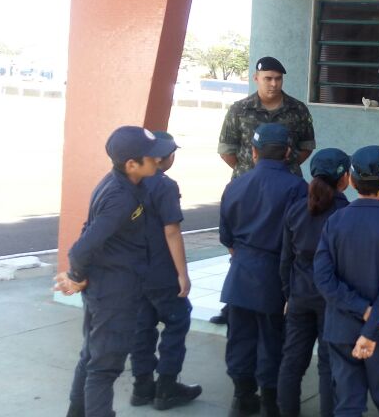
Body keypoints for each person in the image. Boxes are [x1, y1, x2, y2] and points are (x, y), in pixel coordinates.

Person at [55, 126, 175, 417]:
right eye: (152, 157)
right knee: (104, 367)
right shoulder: (120, 197)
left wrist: (81, 276)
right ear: (131, 164)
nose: (158, 160)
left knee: (91, 357)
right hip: (113, 293)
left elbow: (90, 228)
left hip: (108, 287)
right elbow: (81, 249)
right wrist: (75, 276)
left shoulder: (122, 182)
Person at [219, 123, 309, 417]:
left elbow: (226, 238)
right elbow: (300, 236)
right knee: (273, 340)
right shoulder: (297, 188)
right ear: (287, 152)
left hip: (240, 273)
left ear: (254, 152)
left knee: (239, 337)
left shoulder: (235, 185)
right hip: (275, 275)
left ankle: (241, 398)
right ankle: (271, 403)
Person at [313, 145, 379, 417]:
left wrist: (362, 309)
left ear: (352, 181)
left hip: (342, 328)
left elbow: (323, 277)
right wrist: (373, 321)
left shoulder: (335, 221)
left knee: (347, 405)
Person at [129, 131, 203, 410]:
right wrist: (182, 273)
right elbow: (171, 231)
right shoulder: (165, 185)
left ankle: (141, 387)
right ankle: (167, 388)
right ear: (164, 157)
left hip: (135, 271)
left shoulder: (129, 181)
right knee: (177, 321)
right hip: (161, 270)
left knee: (142, 327)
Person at [277, 148, 351, 417]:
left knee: (292, 361)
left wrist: (289, 295)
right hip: (332, 301)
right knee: (329, 365)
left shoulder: (296, 210)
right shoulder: (346, 214)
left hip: (300, 296)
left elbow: (285, 260)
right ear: (344, 178)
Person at [218, 56, 316, 179]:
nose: (274, 84)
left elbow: (306, 146)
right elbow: (226, 151)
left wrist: (287, 167)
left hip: (286, 181)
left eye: (278, 78)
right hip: (249, 181)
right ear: (256, 78)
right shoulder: (239, 110)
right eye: (268, 79)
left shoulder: (298, 109)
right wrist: (248, 171)